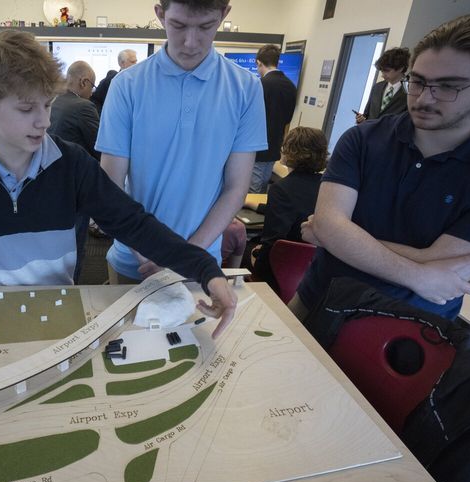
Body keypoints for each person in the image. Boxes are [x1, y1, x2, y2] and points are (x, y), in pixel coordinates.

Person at [0, 30, 237, 338]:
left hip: (58, 308)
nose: (44, 121)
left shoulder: (72, 164)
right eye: (26, 108)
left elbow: (133, 222)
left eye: (47, 104)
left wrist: (206, 270)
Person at [295, 13, 470, 322]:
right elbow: (329, 226)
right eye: (417, 82)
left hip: (413, 330)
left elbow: (453, 264)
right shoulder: (363, 139)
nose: (424, 99)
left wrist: (338, 237)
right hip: (317, 303)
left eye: (448, 86)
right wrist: (420, 274)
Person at [96, 0, 266, 284]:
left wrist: (185, 256)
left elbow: (236, 188)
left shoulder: (246, 88)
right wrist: (146, 250)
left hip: (199, 261)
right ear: (160, 14)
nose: (190, 42)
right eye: (178, 25)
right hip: (134, 259)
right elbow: (110, 185)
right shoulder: (127, 85)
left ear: (224, 15)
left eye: (205, 26)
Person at [246, 127, 325, 288]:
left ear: (289, 151)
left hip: (283, 269)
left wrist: (257, 260)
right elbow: (299, 209)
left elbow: (272, 240)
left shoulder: (281, 189)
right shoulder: (326, 185)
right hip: (316, 268)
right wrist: (255, 206)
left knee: (244, 247)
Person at [248, 44, 297, 194]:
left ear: (258, 62)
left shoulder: (259, 85)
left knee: (252, 190)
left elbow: (249, 118)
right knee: (262, 187)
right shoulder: (290, 86)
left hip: (256, 146)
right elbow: (288, 118)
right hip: (274, 146)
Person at [48, 60, 100, 159]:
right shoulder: (84, 106)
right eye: (92, 86)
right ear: (83, 82)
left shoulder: (52, 100)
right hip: (74, 165)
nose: (91, 93)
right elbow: (99, 147)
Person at [355, 47, 410, 124]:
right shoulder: (377, 87)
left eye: (387, 71)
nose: (383, 75)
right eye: (382, 71)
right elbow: (367, 115)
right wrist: (361, 120)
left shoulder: (412, 91)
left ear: (400, 68)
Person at [91, 49, 138, 115]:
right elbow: (96, 100)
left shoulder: (138, 81)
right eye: (132, 62)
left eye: (136, 61)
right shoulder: (110, 81)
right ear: (122, 63)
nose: (136, 65)